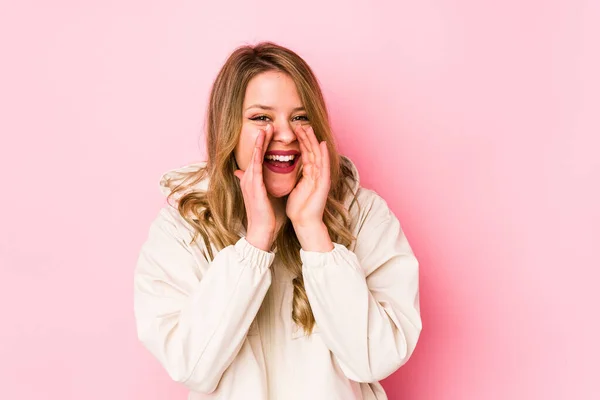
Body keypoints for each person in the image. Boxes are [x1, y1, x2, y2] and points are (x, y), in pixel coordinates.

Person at [133, 41, 422, 400]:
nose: (284, 134)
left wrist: (313, 231)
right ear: (229, 128)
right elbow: (192, 366)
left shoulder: (363, 216)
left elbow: (374, 360)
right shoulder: (182, 229)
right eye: (261, 117)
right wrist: (256, 243)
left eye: (300, 117)